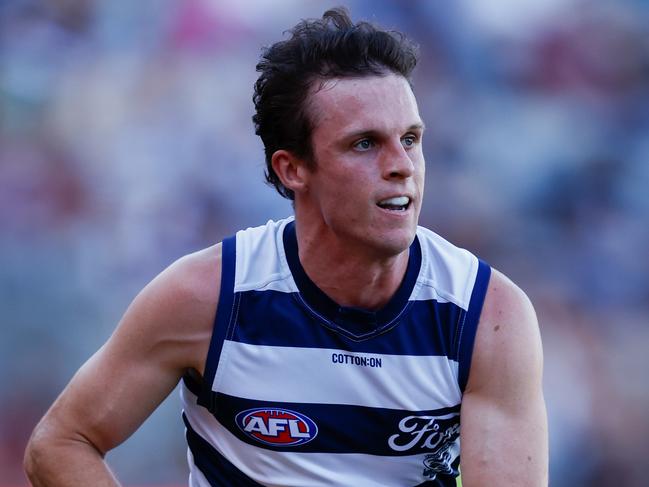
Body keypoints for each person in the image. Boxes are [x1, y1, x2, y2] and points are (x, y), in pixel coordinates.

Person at [24, 7, 548, 486]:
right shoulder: (209, 297)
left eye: (410, 139)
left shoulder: (486, 316)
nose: (402, 166)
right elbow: (61, 443)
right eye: (365, 143)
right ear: (291, 168)